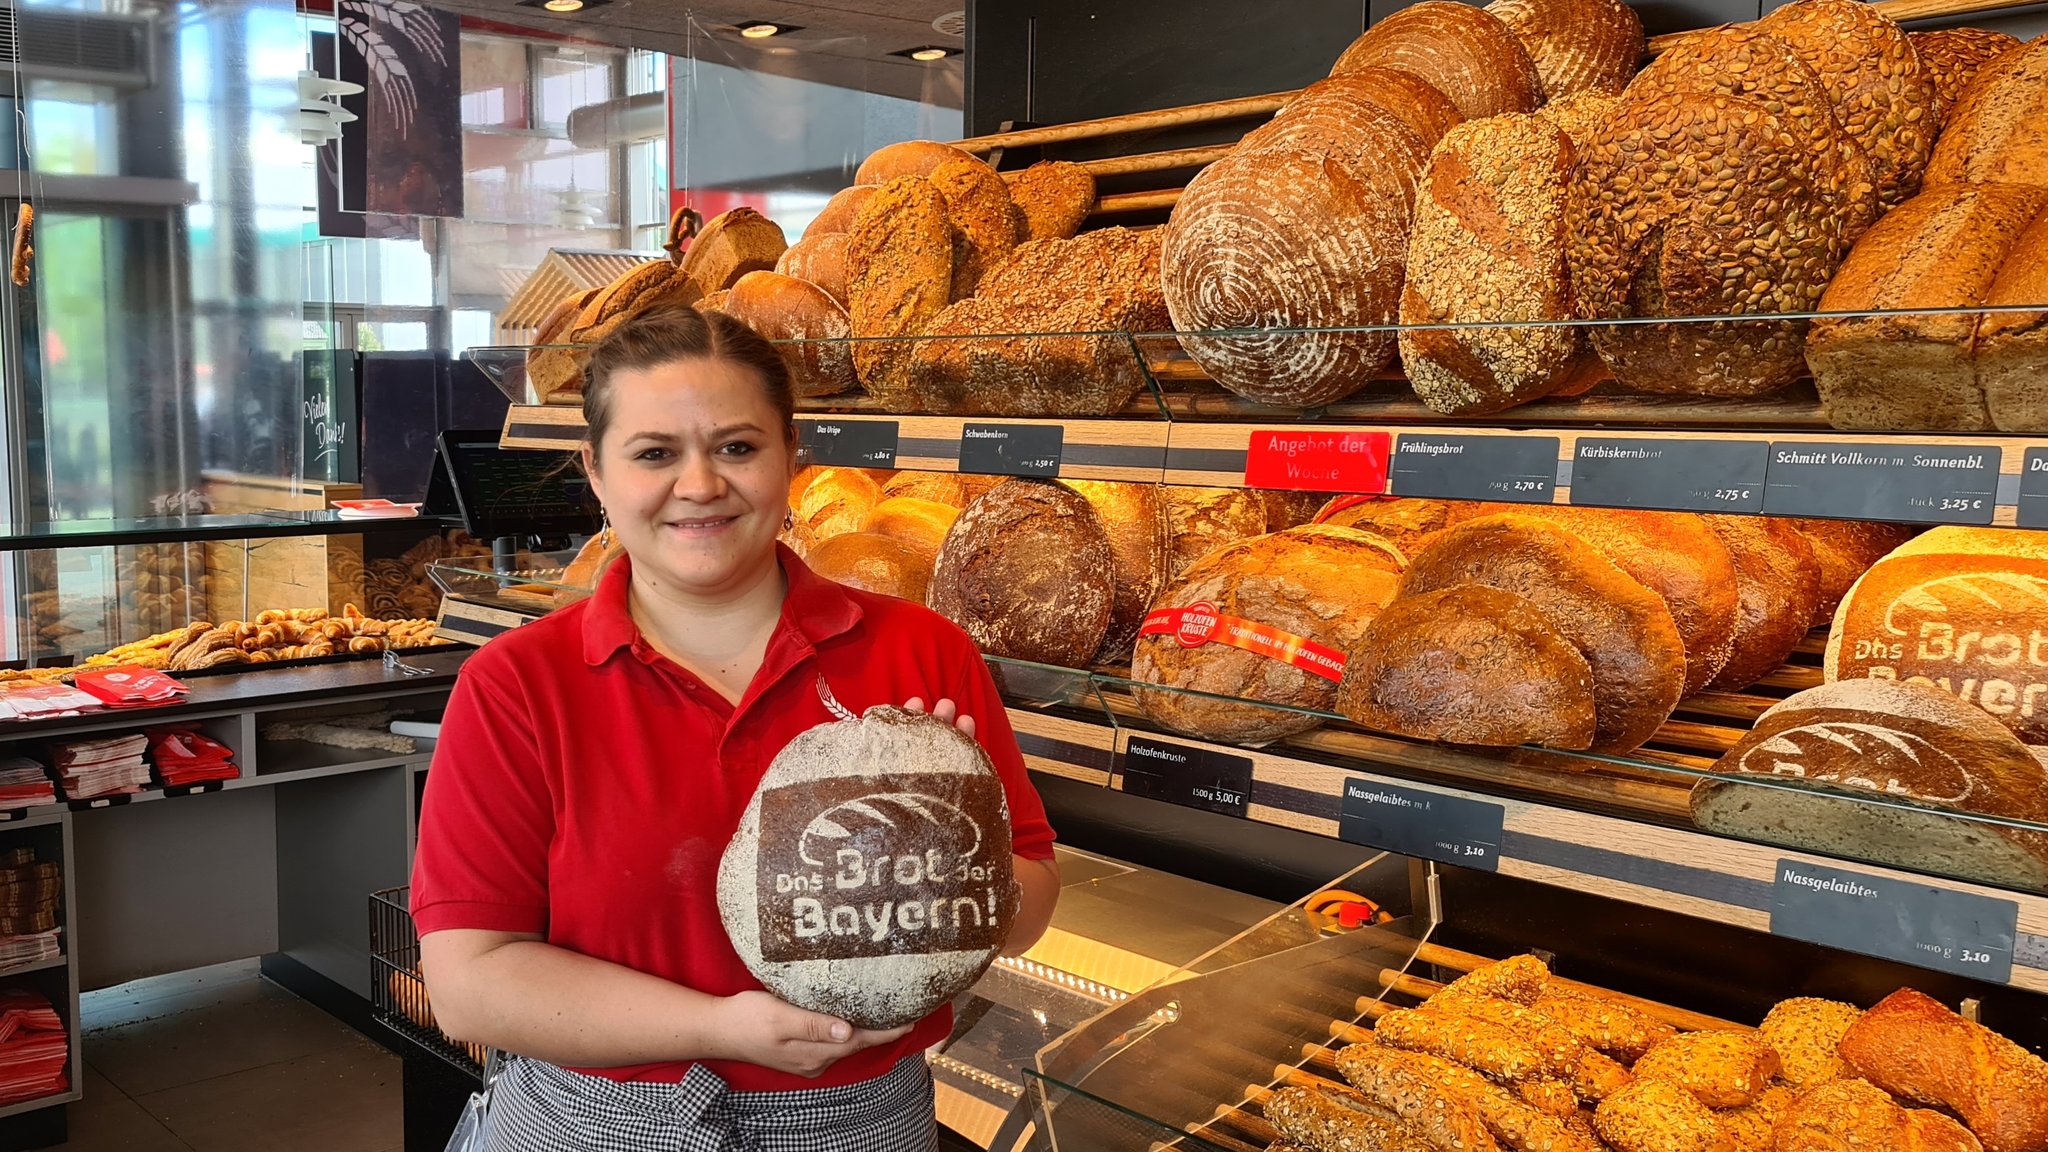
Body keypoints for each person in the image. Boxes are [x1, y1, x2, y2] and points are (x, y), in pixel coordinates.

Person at [410, 306, 1061, 1151]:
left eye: (738, 447)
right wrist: (719, 1029)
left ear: (794, 457)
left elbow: (1033, 897)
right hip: (588, 1125)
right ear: (596, 473)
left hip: (857, 1125)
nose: (701, 484)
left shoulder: (920, 651)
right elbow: (471, 984)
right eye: (654, 454)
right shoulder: (518, 685)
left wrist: (944, 852)